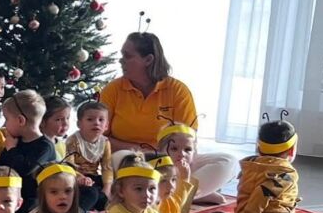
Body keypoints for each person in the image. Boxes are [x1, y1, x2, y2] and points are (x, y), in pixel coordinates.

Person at [97, 32, 236, 201]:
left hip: (171, 159)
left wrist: (172, 157)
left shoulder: (178, 90)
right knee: (120, 158)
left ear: (148, 60)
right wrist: (140, 150)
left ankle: (178, 194)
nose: (121, 60)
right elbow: (100, 138)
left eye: (127, 56)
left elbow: (188, 138)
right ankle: (186, 193)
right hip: (132, 159)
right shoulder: (113, 89)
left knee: (228, 162)